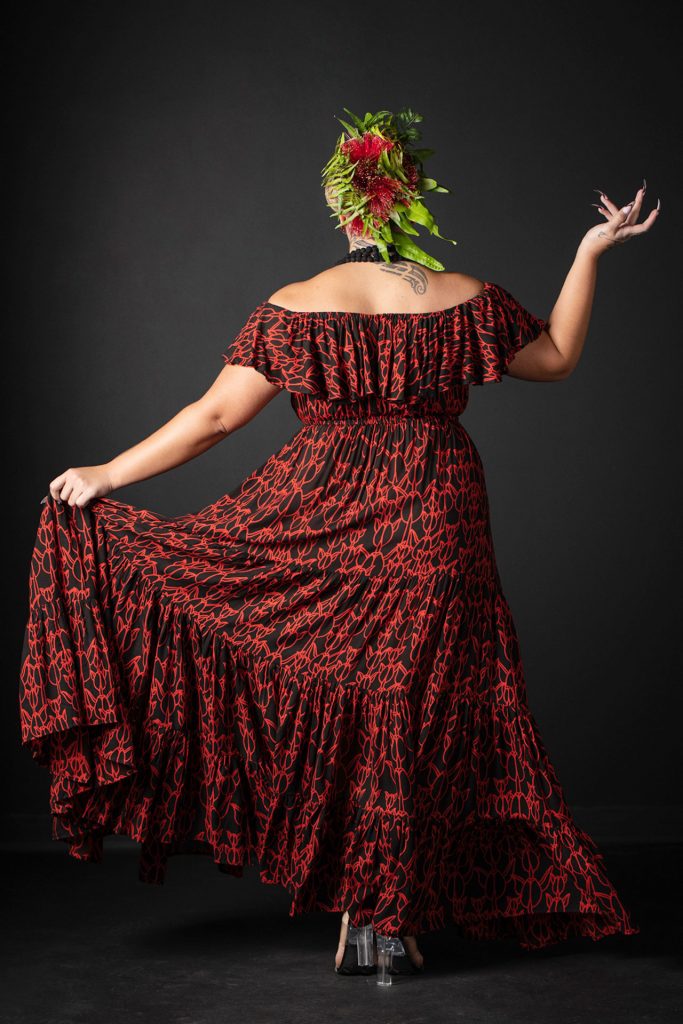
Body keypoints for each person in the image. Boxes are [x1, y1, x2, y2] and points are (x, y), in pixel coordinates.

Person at [18, 107, 658, 986]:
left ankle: (369, 907)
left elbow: (211, 420)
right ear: (414, 199)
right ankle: (380, 914)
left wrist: (107, 474)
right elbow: (554, 359)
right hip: (434, 506)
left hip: (318, 502)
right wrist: (587, 253)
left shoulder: (294, 305)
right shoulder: (464, 298)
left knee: (347, 696)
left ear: (346, 210)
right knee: (412, 704)